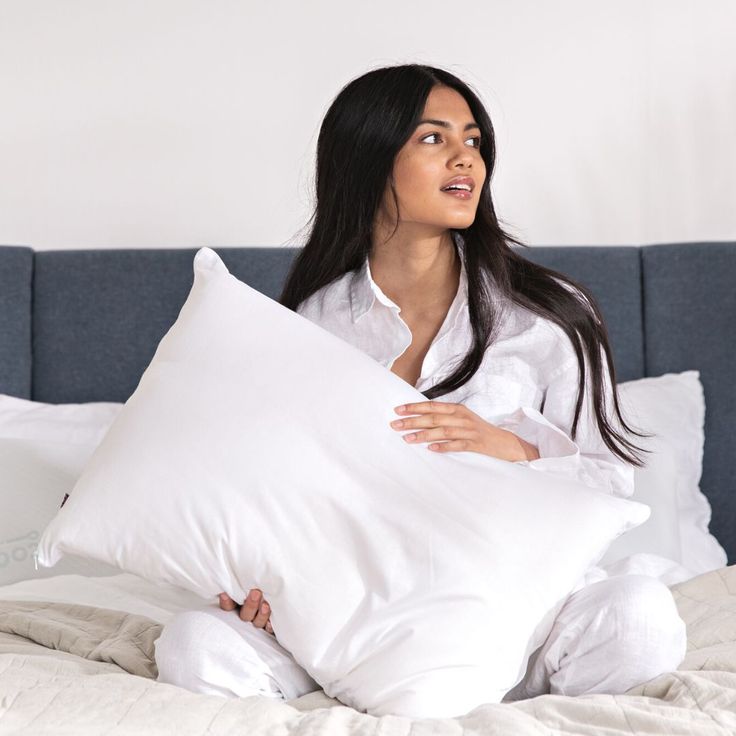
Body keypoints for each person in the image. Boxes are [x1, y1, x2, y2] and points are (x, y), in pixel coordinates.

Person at [154, 63, 686, 704]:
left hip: (521, 606)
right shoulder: (311, 323)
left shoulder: (548, 314)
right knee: (194, 645)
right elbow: (271, 491)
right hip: (352, 613)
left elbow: (607, 486)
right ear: (369, 160)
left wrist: (512, 449)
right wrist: (248, 580)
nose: (465, 159)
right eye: (433, 139)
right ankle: (379, 692)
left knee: (639, 617)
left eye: (474, 141)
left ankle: (484, 699)